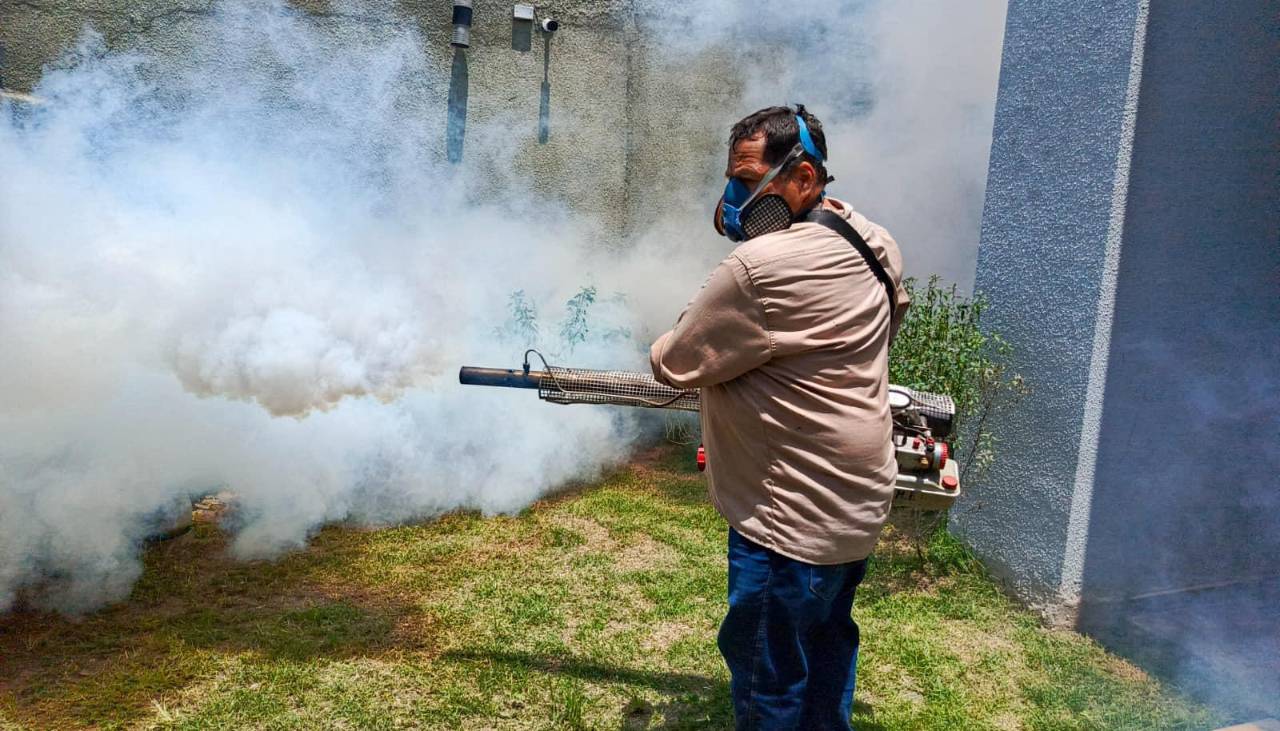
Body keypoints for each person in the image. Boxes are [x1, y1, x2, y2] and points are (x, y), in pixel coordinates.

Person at [649, 105, 909, 730]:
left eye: (746, 180)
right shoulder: (875, 242)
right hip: (857, 506)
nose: (735, 198)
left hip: (788, 519)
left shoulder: (756, 268)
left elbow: (675, 361)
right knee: (826, 648)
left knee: (770, 677)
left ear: (804, 177)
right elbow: (888, 321)